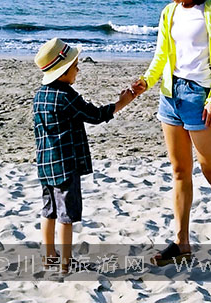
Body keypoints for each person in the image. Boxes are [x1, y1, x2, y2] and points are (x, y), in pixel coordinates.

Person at [131, 0, 211, 273]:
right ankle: (182, 243)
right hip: (170, 96)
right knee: (179, 171)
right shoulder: (169, 13)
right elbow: (162, 54)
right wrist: (146, 81)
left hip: (199, 98)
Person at [33, 38, 138, 274]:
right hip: (65, 164)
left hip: (45, 164)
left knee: (48, 210)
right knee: (66, 215)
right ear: (62, 73)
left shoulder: (39, 96)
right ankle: (65, 263)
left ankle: (49, 255)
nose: (78, 69)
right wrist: (123, 101)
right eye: (75, 66)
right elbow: (95, 115)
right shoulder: (66, 96)